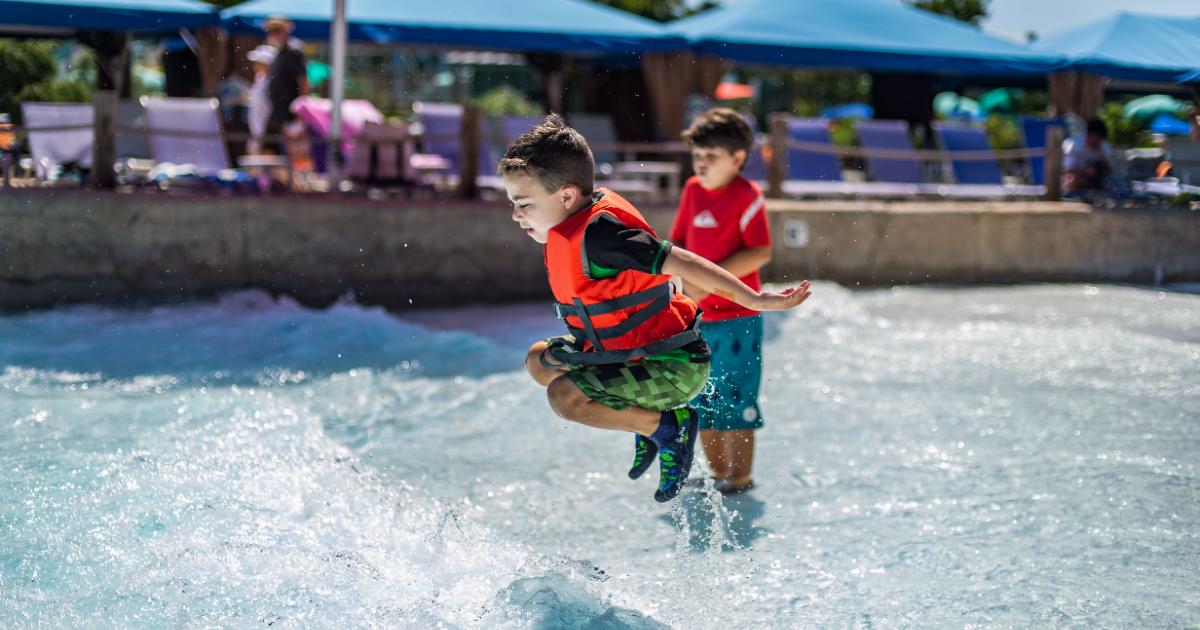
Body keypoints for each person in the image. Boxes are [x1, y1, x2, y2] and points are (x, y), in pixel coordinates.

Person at [502, 115, 812, 503]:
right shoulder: (575, 228)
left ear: (566, 197)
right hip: (636, 351)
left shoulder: (602, 236)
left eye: (524, 203)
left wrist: (755, 300)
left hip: (674, 362)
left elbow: (682, 259)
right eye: (514, 203)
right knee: (538, 361)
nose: (516, 214)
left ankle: (672, 430)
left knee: (565, 396)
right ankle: (652, 427)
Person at [670, 108, 771, 495]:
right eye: (697, 157)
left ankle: (740, 476)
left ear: (738, 159)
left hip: (738, 318)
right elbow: (677, 243)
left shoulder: (748, 196)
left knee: (737, 396)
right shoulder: (693, 190)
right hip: (697, 319)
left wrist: (709, 283)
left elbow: (759, 251)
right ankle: (719, 472)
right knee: (702, 397)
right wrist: (680, 285)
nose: (702, 164)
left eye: (711, 157)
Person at [263, 16, 308, 142]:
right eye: (270, 31)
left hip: (292, 116)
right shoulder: (278, 54)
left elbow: (303, 82)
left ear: (285, 32)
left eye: (277, 30)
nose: (273, 34)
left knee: (298, 156)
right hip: (281, 115)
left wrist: (300, 115)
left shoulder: (293, 52)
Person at [1062, 119, 1115, 194]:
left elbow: (1111, 170)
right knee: (1070, 179)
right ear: (1087, 134)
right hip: (1074, 177)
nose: (1097, 143)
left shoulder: (1104, 147)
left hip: (1097, 181)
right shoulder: (1074, 146)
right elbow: (1066, 169)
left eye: (1100, 140)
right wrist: (1084, 171)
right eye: (1095, 139)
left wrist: (1103, 157)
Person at [245, 44, 277, 155]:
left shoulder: (272, 82)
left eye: (259, 62)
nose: (255, 65)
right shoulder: (260, 78)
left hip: (265, 132)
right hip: (256, 130)